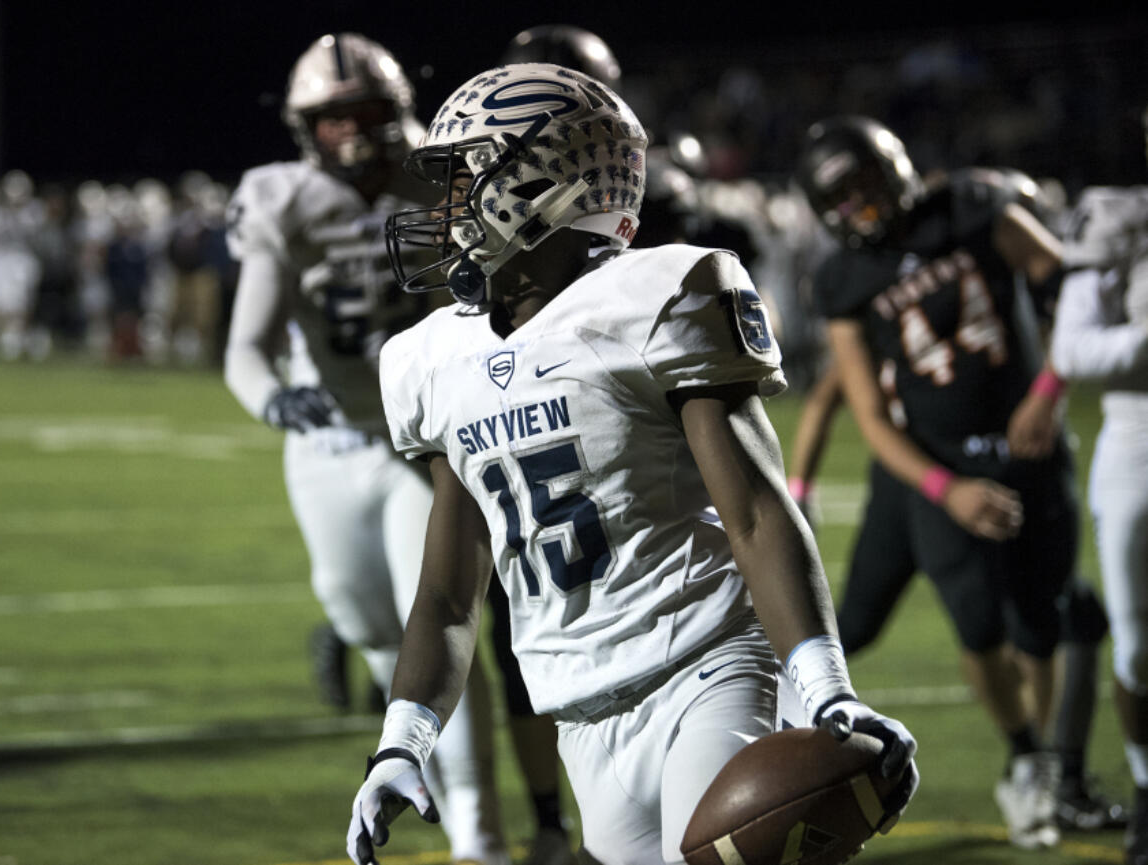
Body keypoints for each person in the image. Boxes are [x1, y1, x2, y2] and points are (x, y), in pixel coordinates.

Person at [345, 63, 918, 865]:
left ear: (542, 179)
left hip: (706, 667)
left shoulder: (656, 295)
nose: (444, 206)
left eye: (466, 175)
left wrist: (826, 689)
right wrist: (401, 742)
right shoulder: (434, 357)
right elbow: (447, 592)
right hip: (579, 713)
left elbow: (754, 510)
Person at [222, 33, 508, 865]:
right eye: (331, 117)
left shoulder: (444, 171)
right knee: (364, 618)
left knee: (440, 618)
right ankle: (437, 783)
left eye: (364, 114)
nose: (349, 132)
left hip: (428, 442)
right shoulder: (283, 198)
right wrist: (272, 393)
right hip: (333, 437)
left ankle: (481, 837)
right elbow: (247, 343)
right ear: (304, 126)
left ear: (395, 113)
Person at [789, 159, 1124, 832]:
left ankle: (1052, 768)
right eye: (840, 199)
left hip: (1027, 451)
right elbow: (855, 406)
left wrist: (1049, 390)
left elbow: (1069, 288)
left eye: (864, 187)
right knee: (962, 621)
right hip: (932, 471)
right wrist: (942, 487)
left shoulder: (974, 208)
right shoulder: (844, 281)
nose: (858, 207)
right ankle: (1031, 759)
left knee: (1046, 618)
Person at [1051, 130, 1148, 863]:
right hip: (1137, 439)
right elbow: (1072, 350)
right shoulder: (1120, 217)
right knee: (1139, 648)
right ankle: (1147, 788)